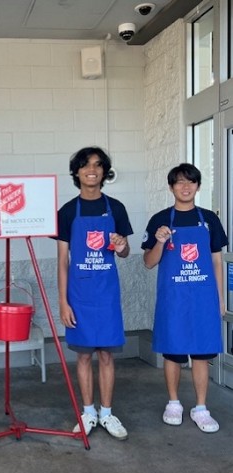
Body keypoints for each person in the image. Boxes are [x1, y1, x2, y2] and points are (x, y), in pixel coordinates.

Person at [142, 163, 228, 433]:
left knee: (201, 354)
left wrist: (220, 299)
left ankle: (201, 408)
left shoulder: (209, 220)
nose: (185, 186)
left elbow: (216, 261)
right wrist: (159, 241)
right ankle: (174, 403)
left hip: (203, 299)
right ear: (171, 187)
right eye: (179, 182)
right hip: (174, 300)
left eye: (191, 181)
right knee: (173, 353)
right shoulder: (159, 220)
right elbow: (148, 262)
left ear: (198, 186)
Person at [57, 146, 133, 440]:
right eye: (86, 165)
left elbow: (124, 252)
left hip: (106, 294)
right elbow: (63, 261)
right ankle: (88, 412)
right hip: (79, 295)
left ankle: (107, 413)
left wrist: (121, 245)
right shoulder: (67, 212)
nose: (92, 170)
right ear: (76, 172)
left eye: (98, 165)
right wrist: (63, 302)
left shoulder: (116, 208)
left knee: (107, 356)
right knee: (84, 356)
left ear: (104, 172)